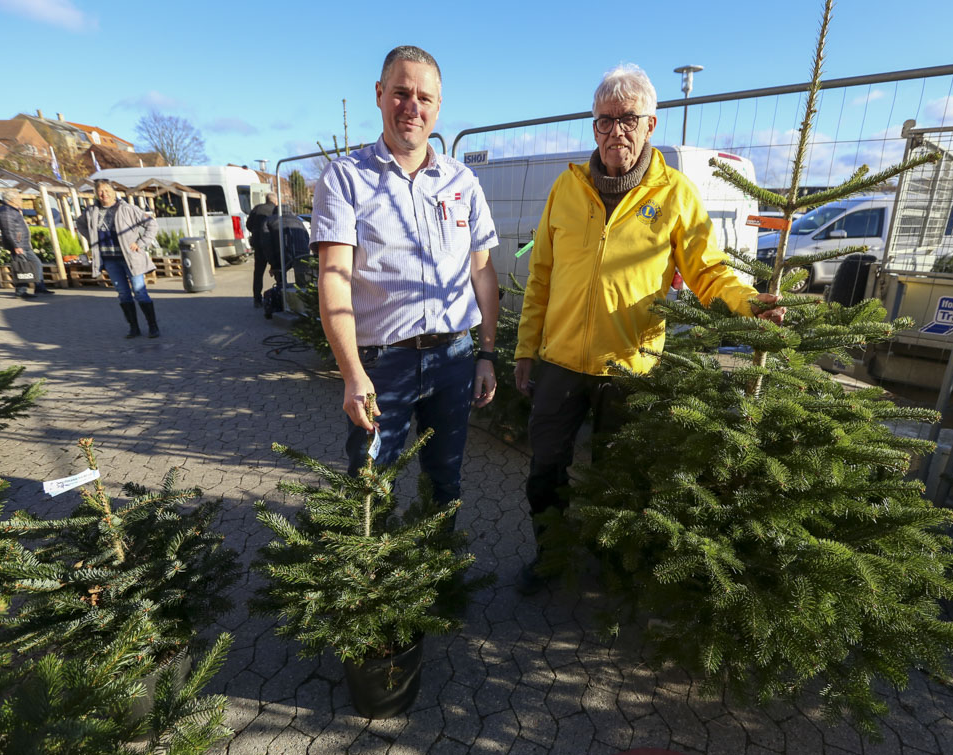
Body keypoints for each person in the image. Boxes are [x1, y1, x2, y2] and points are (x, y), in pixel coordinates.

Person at [513, 63, 785, 594]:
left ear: (650, 124)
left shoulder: (675, 193)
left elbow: (708, 271)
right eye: (604, 120)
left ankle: (611, 568)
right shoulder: (565, 189)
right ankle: (549, 556)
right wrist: (526, 351)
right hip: (560, 361)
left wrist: (749, 303)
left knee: (619, 479)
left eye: (628, 119)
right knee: (545, 470)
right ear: (594, 126)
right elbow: (540, 276)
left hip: (630, 368)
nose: (615, 131)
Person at [311, 44, 499, 508]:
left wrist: (486, 355)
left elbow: (482, 271)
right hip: (382, 366)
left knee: (445, 483)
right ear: (379, 94)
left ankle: (440, 558)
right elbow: (333, 279)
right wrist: (352, 374)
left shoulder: (462, 182)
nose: (412, 107)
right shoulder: (345, 179)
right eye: (401, 93)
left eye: (424, 98)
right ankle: (374, 560)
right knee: (371, 489)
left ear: (438, 106)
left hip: (454, 359)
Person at [76, 179, 160, 338]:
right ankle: (134, 328)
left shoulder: (127, 209)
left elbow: (152, 225)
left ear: (113, 192)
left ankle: (153, 326)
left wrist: (141, 243)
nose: (104, 194)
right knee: (123, 294)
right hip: (110, 260)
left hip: (130, 259)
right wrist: (92, 238)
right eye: (100, 191)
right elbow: (80, 224)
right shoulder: (91, 211)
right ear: (96, 193)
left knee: (140, 292)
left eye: (107, 190)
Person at [0, 189, 54, 300]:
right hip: (18, 245)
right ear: (12, 199)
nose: (21, 200)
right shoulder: (6, 211)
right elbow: (8, 230)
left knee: (36, 263)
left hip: (23, 244)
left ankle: (39, 287)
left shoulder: (13, 210)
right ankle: (21, 291)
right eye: (19, 198)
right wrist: (16, 245)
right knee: (21, 267)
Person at [246, 192, 278, 307]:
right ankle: (280, 294)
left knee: (258, 272)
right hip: (273, 245)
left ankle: (257, 299)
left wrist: (256, 232)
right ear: (275, 201)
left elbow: (248, 225)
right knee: (277, 269)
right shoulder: (276, 210)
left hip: (258, 244)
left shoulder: (257, 209)